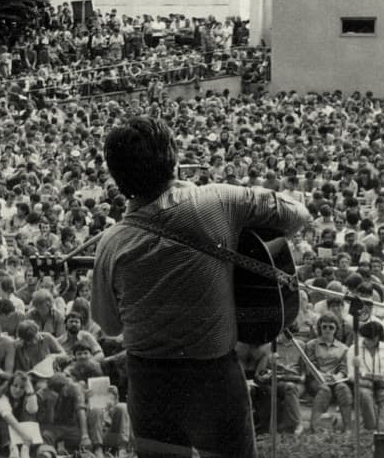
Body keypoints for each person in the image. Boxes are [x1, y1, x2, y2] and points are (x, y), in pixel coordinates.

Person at [91, 116, 311, 458]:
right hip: (214, 378)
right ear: (174, 159)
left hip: (150, 384)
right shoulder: (219, 201)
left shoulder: (111, 243)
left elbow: (109, 325)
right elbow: (297, 215)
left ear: (116, 177)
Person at [304, 315, 353, 433]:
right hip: (316, 379)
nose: (327, 330)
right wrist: (321, 375)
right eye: (324, 326)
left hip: (335, 380)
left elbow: (343, 368)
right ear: (320, 328)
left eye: (331, 327)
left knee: (343, 389)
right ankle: (316, 428)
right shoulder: (311, 345)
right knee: (325, 390)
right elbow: (310, 365)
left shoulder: (343, 348)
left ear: (336, 329)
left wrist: (338, 377)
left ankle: (348, 428)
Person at [352, 321, 384, 432]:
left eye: (372, 339)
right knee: (365, 394)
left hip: (383, 383)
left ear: (378, 337)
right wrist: (362, 379)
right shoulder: (354, 349)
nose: (369, 341)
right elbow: (351, 375)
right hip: (364, 383)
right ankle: (371, 429)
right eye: (366, 338)